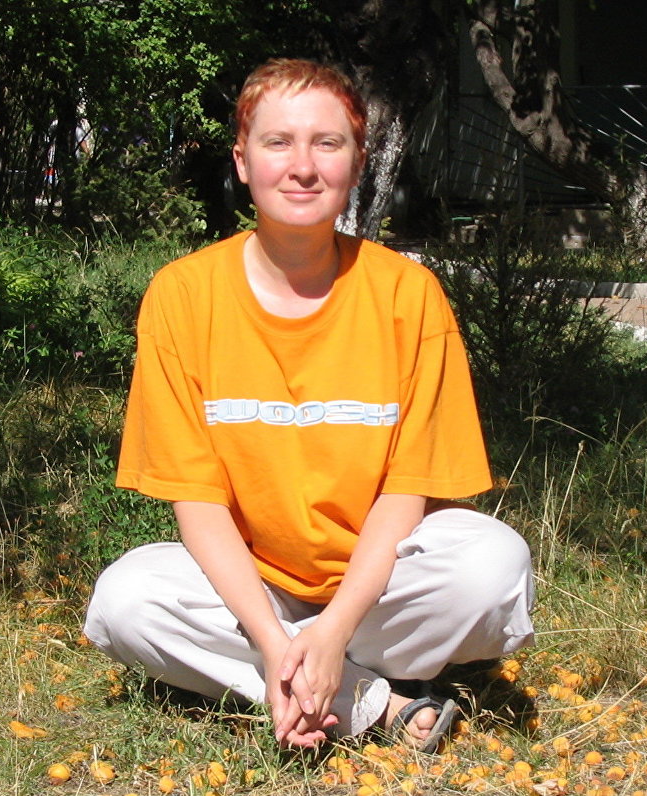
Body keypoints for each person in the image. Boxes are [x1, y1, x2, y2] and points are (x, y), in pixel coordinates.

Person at [84, 58, 534, 750]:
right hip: (251, 590)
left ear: (357, 163)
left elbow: (408, 491)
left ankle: (307, 666)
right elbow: (197, 502)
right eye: (278, 142)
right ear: (242, 161)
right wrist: (273, 638)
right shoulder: (183, 297)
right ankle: (371, 701)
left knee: (493, 567)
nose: (302, 167)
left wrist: (334, 627)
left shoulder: (407, 296)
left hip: (380, 586)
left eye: (327, 143)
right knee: (125, 601)